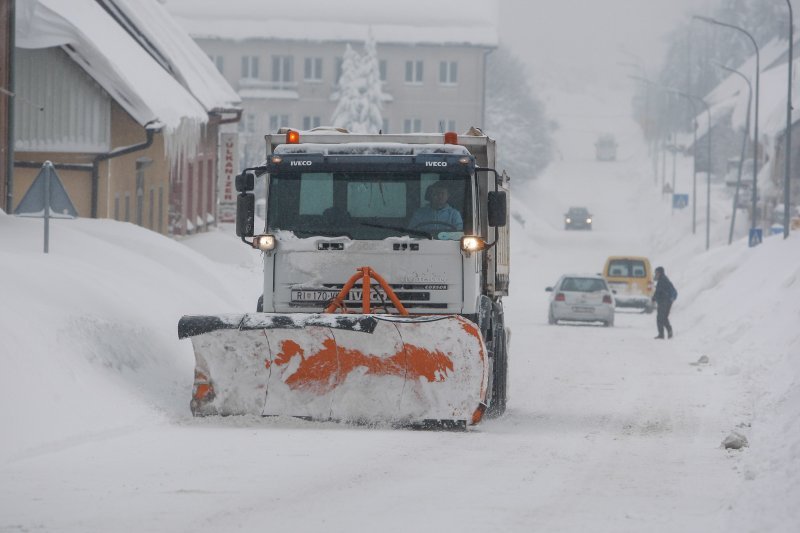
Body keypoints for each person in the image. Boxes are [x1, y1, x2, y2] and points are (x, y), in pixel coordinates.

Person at [652, 266, 676, 339]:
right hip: (667, 301)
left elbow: (658, 291)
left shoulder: (662, 280)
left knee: (660, 318)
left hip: (664, 301)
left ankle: (661, 334)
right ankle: (669, 331)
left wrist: (653, 298)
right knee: (664, 317)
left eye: (656, 273)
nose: (655, 274)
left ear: (659, 273)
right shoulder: (663, 279)